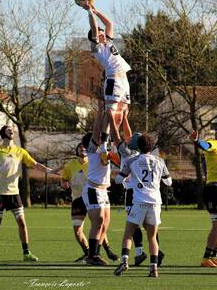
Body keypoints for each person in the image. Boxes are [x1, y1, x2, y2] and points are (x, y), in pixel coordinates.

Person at [0, 125, 53, 262]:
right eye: (9, 129)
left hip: (14, 193)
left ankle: (26, 253)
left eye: (13, 130)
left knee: (22, 222)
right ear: (3, 133)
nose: (12, 131)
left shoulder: (20, 151)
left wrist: (50, 171)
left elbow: (35, 164)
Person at [111, 110, 165, 267]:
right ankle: (154, 252)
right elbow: (129, 136)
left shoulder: (127, 153)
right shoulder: (143, 154)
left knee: (133, 224)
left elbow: (117, 137)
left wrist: (112, 118)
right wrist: (125, 117)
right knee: (150, 227)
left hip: (133, 192)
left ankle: (139, 252)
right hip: (152, 195)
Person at [114, 133, 172, 277]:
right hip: (155, 203)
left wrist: (129, 177)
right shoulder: (160, 161)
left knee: (128, 233)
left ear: (137, 146)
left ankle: (124, 261)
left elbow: (118, 180)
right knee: (152, 237)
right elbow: (168, 182)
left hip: (138, 201)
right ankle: (153, 268)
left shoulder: (131, 161)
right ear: (152, 147)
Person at [80, 1, 131, 165]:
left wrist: (96, 10)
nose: (103, 32)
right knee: (109, 112)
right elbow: (95, 30)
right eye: (100, 32)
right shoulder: (96, 47)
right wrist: (89, 13)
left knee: (122, 114)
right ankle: (108, 145)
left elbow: (109, 23)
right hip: (113, 79)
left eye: (102, 32)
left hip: (124, 80)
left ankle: (114, 146)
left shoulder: (108, 41)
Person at [60, 142, 118, 263]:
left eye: (84, 146)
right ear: (76, 150)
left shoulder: (93, 163)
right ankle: (88, 253)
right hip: (78, 199)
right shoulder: (70, 165)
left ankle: (105, 251)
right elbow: (63, 179)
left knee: (98, 224)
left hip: (92, 197)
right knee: (77, 230)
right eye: (80, 147)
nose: (82, 148)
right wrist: (64, 184)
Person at [81, 101, 113, 265]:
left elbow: (105, 129)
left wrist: (110, 112)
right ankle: (91, 256)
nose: (100, 138)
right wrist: (100, 112)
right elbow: (96, 130)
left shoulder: (103, 147)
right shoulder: (93, 149)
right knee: (98, 221)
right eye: (97, 138)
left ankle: (96, 254)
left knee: (106, 222)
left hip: (103, 191)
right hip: (93, 189)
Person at [189, 130, 217, 267]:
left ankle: (213, 256)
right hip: (214, 190)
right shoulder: (214, 144)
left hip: (212, 189)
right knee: (216, 226)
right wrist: (197, 141)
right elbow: (205, 145)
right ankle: (207, 257)